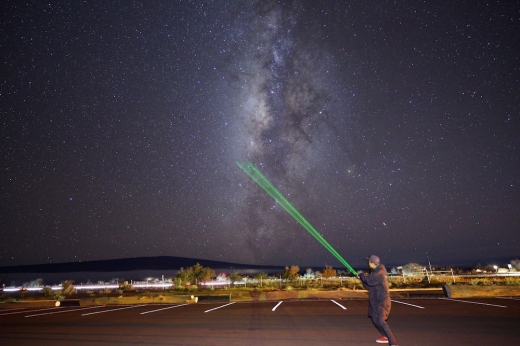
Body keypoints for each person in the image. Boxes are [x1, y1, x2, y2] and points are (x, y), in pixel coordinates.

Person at [357, 255, 398, 345]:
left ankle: (393, 343)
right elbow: (369, 285)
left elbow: (369, 280)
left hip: (382, 300)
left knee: (380, 320)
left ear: (372, 263)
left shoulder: (380, 272)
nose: (368, 263)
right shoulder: (375, 272)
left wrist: (361, 275)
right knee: (375, 320)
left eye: (369, 262)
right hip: (375, 300)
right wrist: (362, 279)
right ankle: (385, 336)